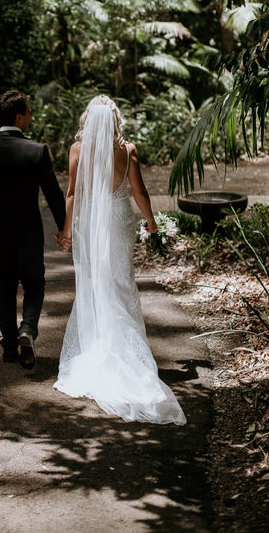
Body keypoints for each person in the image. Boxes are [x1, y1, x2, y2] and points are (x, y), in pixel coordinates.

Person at [54, 95, 186, 425]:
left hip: (90, 224)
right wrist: (152, 223)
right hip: (118, 221)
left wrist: (66, 231)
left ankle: (101, 347)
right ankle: (127, 353)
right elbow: (139, 192)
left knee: (95, 284)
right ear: (114, 119)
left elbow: (73, 193)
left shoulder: (78, 150)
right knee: (121, 282)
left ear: (89, 118)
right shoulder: (127, 151)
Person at [0, 90, 66, 369]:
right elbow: (54, 194)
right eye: (30, 113)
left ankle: (9, 346)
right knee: (35, 283)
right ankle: (27, 330)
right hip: (28, 232)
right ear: (19, 115)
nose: (31, 118)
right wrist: (63, 228)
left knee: (5, 287)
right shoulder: (36, 150)